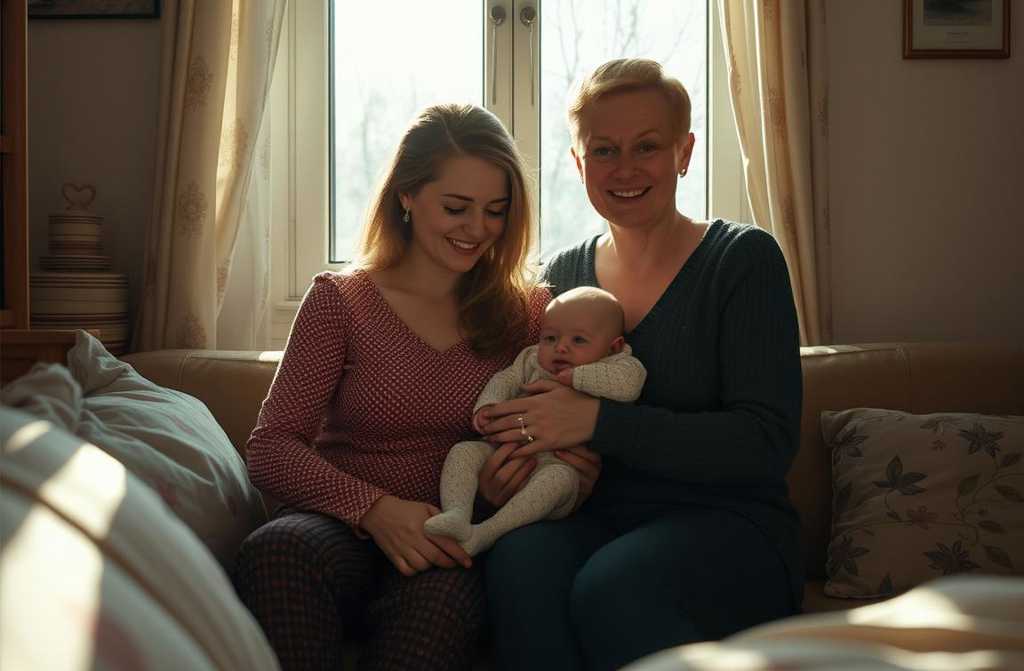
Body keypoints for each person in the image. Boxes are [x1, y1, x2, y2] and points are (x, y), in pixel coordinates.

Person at [231, 103, 593, 671]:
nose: (477, 229)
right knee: (276, 550)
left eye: (495, 211)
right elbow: (270, 448)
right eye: (456, 207)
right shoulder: (340, 302)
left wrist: (500, 490)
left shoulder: (529, 315)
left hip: (449, 538)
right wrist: (374, 509)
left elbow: (548, 444)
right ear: (406, 194)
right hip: (335, 529)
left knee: (443, 607)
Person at [478, 58, 805, 671]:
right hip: (592, 517)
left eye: (647, 147)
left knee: (614, 586)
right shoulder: (561, 277)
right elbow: (533, 410)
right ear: (579, 164)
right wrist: (502, 477)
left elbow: (765, 442)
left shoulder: (742, 260)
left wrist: (598, 423)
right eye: (603, 150)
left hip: (732, 525)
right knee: (519, 562)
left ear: (684, 153)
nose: (624, 169)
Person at [424, 286, 646, 556]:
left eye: (578, 340)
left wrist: (575, 377)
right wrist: (488, 406)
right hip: (506, 450)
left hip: (557, 465)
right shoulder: (532, 359)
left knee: (559, 481)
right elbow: (506, 379)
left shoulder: (620, 365)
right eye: (550, 338)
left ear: (614, 347)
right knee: (464, 452)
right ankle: (456, 514)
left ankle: (486, 533)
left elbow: (629, 386)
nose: (560, 347)